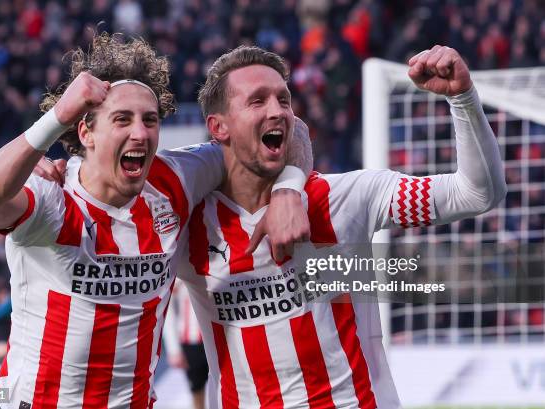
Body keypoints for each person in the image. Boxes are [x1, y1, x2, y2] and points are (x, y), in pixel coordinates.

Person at [0, 32, 312, 409]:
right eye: (122, 120)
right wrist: (56, 117)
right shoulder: (54, 196)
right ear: (86, 131)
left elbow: (290, 131)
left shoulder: (175, 179)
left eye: (150, 120)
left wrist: (289, 190)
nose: (140, 133)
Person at [175, 45, 506, 408]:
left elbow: (476, 193)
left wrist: (462, 98)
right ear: (217, 127)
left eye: (283, 100)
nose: (278, 111)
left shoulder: (346, 196)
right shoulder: (186, 226)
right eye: (257, 101)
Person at [162, 280, 208, 409]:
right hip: (192, 341)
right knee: (197, 389)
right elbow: (168, 310)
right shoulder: (178, 275)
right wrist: (173, 349)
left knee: (227, 387)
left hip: (219, 338)